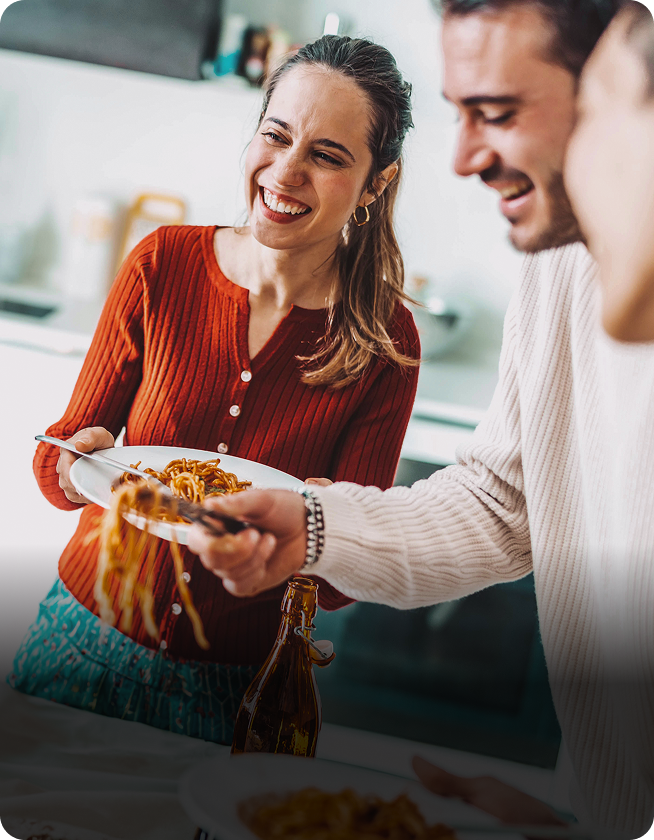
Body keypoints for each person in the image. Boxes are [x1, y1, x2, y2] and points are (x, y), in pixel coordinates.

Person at [187, 2, 654, 837]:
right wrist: (314, 527)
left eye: (498, 113)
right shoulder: (561, 259)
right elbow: (507, 501)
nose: (468, 156)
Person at [9, 34, 420, 746]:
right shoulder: (161, 263)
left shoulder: (387, 340)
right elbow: (56, 458)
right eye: (276, 135)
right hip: (75, 647)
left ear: (377, 182)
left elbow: (353, 577)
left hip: (237, 693)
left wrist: (324, 530)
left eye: (326, 155)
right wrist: (77, 463)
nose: (286, 173)